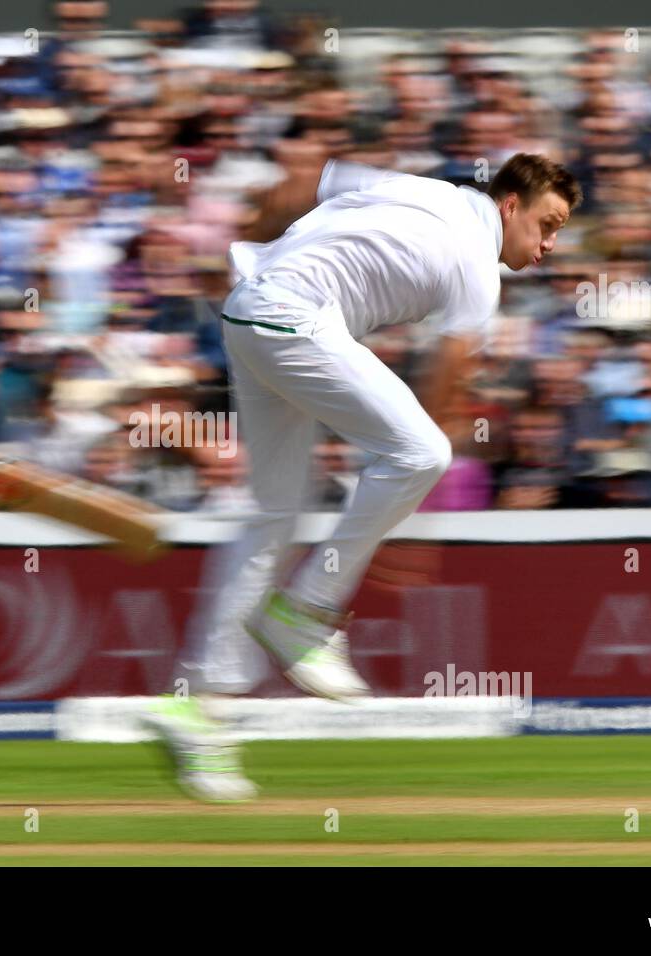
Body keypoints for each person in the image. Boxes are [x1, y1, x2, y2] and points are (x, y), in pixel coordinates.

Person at [143, 151, 581, 802]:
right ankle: (309, 613)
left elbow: (300, 180)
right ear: (509, 205)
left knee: (272, 517)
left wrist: (238, 255)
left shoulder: (422, 189)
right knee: (423, 454)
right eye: (546, 225)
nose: (548, 245)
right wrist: (405, 520)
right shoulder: (476, 272)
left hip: (248, 313)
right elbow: (445, 390)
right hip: (289, 319)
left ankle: (199, 709)